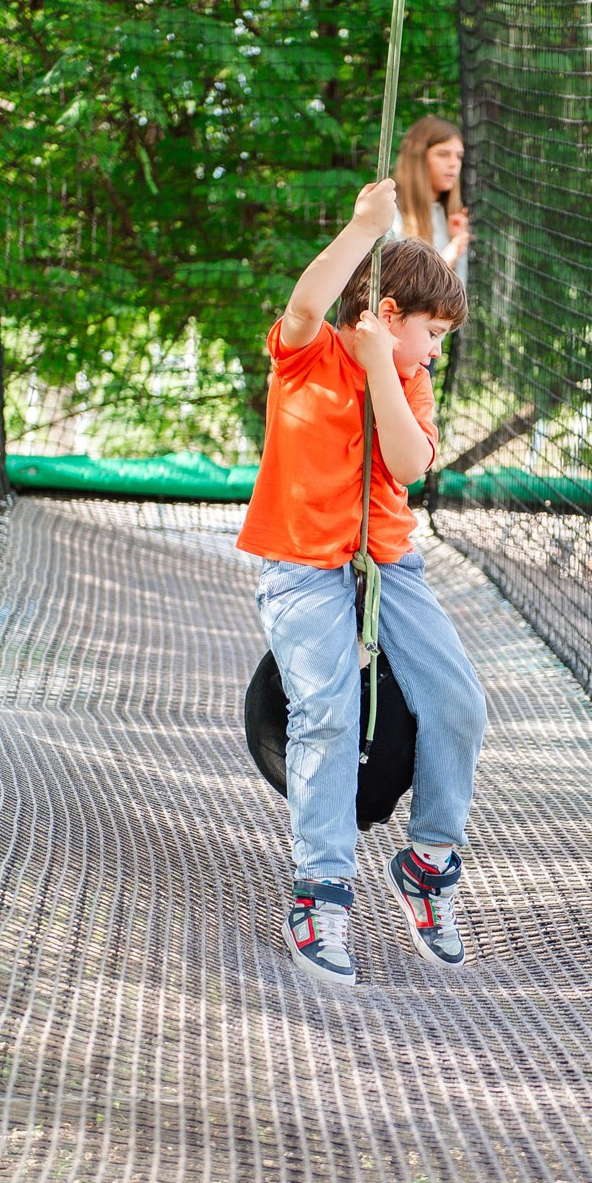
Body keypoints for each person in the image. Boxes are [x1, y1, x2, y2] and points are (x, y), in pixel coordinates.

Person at [236, 176, 487, 986]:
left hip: (387, 563)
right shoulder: (306, 354)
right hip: (305, 566)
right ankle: (321, 890)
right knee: (328, 711)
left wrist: (388, 362)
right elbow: (309, 303)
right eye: (431, 333)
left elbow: (412, 462)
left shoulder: (403, 375)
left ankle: (429, 860)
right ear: (386, 313)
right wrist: (361, 229)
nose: (436, 351)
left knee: (458, 703)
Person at [391, 115, 470, 283]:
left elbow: (460, 294)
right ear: (418, 159)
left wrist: (458, 244)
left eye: (459, 156)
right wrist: (451, 253)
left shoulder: (452, 216)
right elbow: (403, 291)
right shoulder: (391, 213)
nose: (453, 164)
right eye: (443, 154)